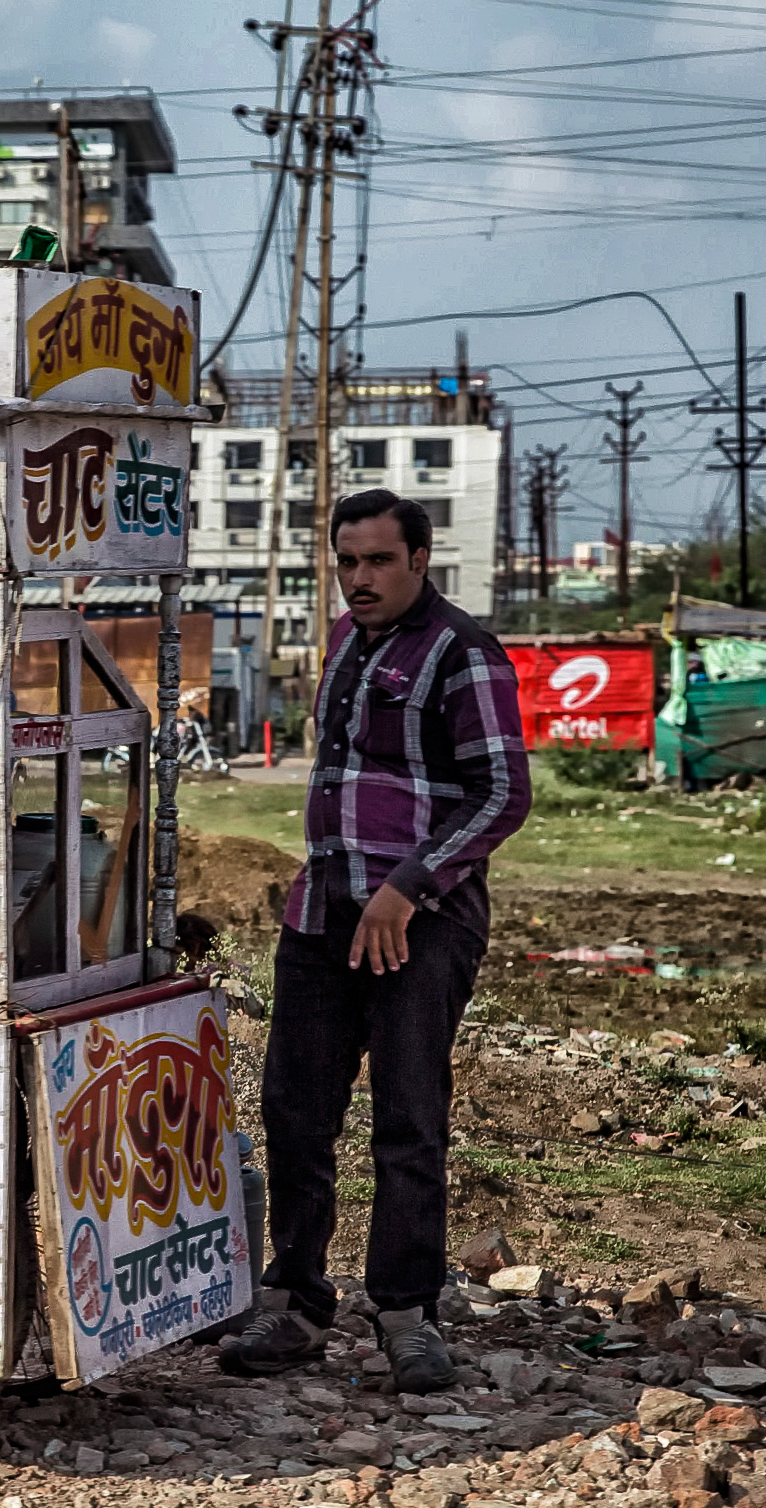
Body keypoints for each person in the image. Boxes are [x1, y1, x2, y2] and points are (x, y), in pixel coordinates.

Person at [219, 488, 531, 1395]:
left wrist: (409, 885)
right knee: (295, 1110)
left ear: (419, 561)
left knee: (406, 1119)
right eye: (347, 561)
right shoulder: (344, 641)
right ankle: (298, 1304)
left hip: (418, 925)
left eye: (378, 562)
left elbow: (502, 793)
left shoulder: (462, 652)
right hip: (323, 912)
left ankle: (406, 1315)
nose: (359, 578)